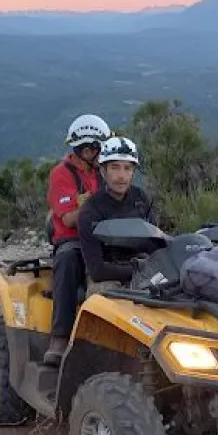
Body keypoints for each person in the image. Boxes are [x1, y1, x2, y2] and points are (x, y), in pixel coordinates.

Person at [43, 114, 112, 366]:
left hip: (104, 236)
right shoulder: (62, 174)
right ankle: (59, 338)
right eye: (95, 148)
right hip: (73, 239)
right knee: (68, 259)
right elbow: (70, 218)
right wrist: (98, 202)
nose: (97, 152)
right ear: (85, 148)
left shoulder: (104, 173)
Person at [77, 136, 158, 287]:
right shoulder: (90, 210)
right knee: (108, 303)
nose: (121, 176)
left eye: (127, 168)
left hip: (142, 266)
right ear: (103, 171)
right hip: (107, 276)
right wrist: (139, 270)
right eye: (115, 167)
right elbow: (97, 270)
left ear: (133, 172)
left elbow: (156, 242)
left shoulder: (140, 198)